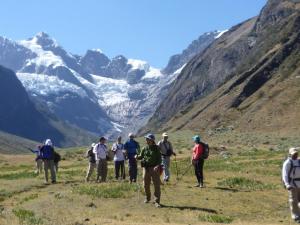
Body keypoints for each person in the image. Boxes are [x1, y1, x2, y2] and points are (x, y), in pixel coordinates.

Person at [137, 133, 162, 208]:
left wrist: (157, 166)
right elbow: (141, 156)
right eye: (146, 139)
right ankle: (148, 198)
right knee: (145, 184)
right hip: (146, 168)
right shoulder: (144, 148)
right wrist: (136, 156)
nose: (146, 140)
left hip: (155, 169)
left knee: (156, 185)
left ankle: (157, 201)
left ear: (152, 140)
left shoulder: (157, 148)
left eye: (148, 139)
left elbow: (159, 159)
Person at [282, 147, 300, 223]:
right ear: (290, 154)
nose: (295, 155)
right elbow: (285, 174)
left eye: (296, 153)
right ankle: (296, 216)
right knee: (293, 200)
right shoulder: (287, 163)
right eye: (294, 154)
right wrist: (287, 184)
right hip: (292, 184)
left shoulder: (299, 161)